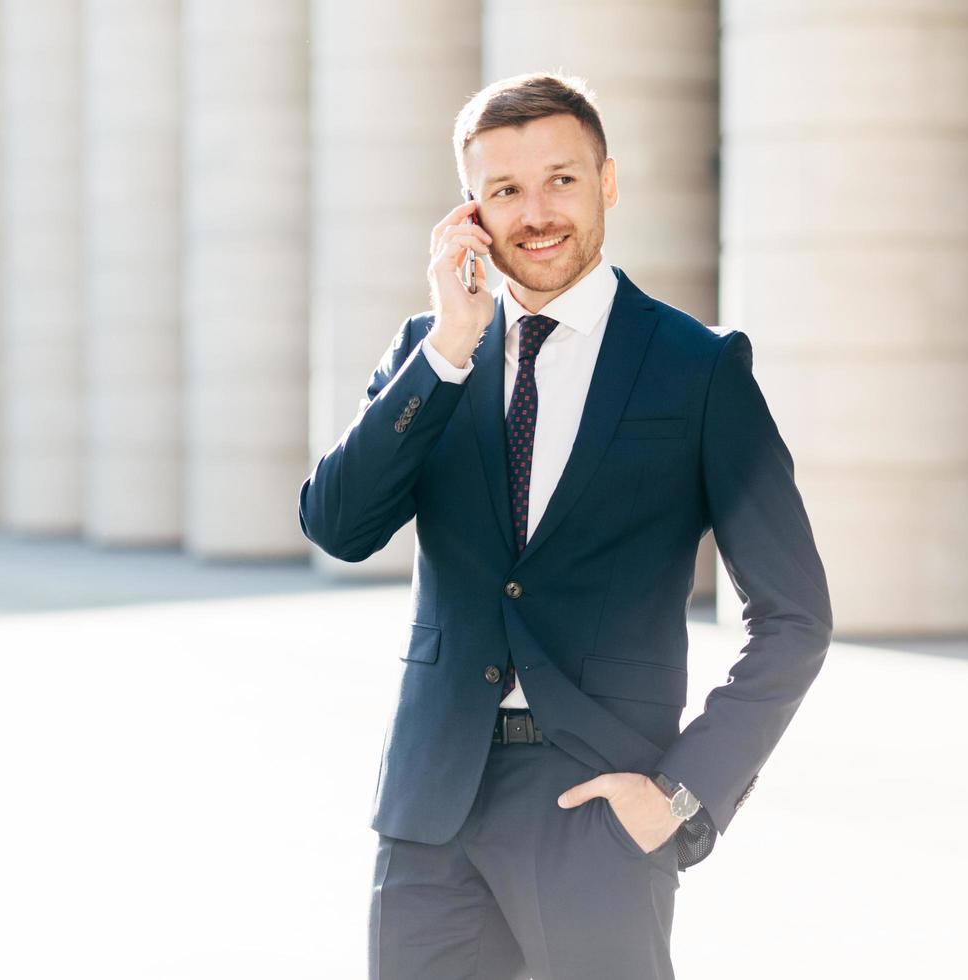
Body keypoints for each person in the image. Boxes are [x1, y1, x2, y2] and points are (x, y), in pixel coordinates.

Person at [298, 70, 833, 980]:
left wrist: (680, 794)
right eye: (505, 189)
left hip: (599, 810)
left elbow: (794, 617)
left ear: (608, 184)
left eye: (562, 180)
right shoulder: (430, 356)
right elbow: (340, 525)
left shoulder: (698, 369)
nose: (537, 211)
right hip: (434, 805)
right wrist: (447, 349)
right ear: (470, 211)